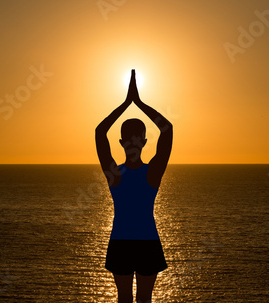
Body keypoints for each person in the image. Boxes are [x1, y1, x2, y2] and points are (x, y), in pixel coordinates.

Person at [95, 69, 173, 303]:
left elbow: (101, 132)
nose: (132, 142)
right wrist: (132, 102)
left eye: (135, 138)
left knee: (131, 300)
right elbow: (166, 129)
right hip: (139, 241)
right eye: (130, 138)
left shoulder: (118, 174)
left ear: (143, 142)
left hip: (128, 241)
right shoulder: (143, 174)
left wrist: (133, 102)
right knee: (136, 300)